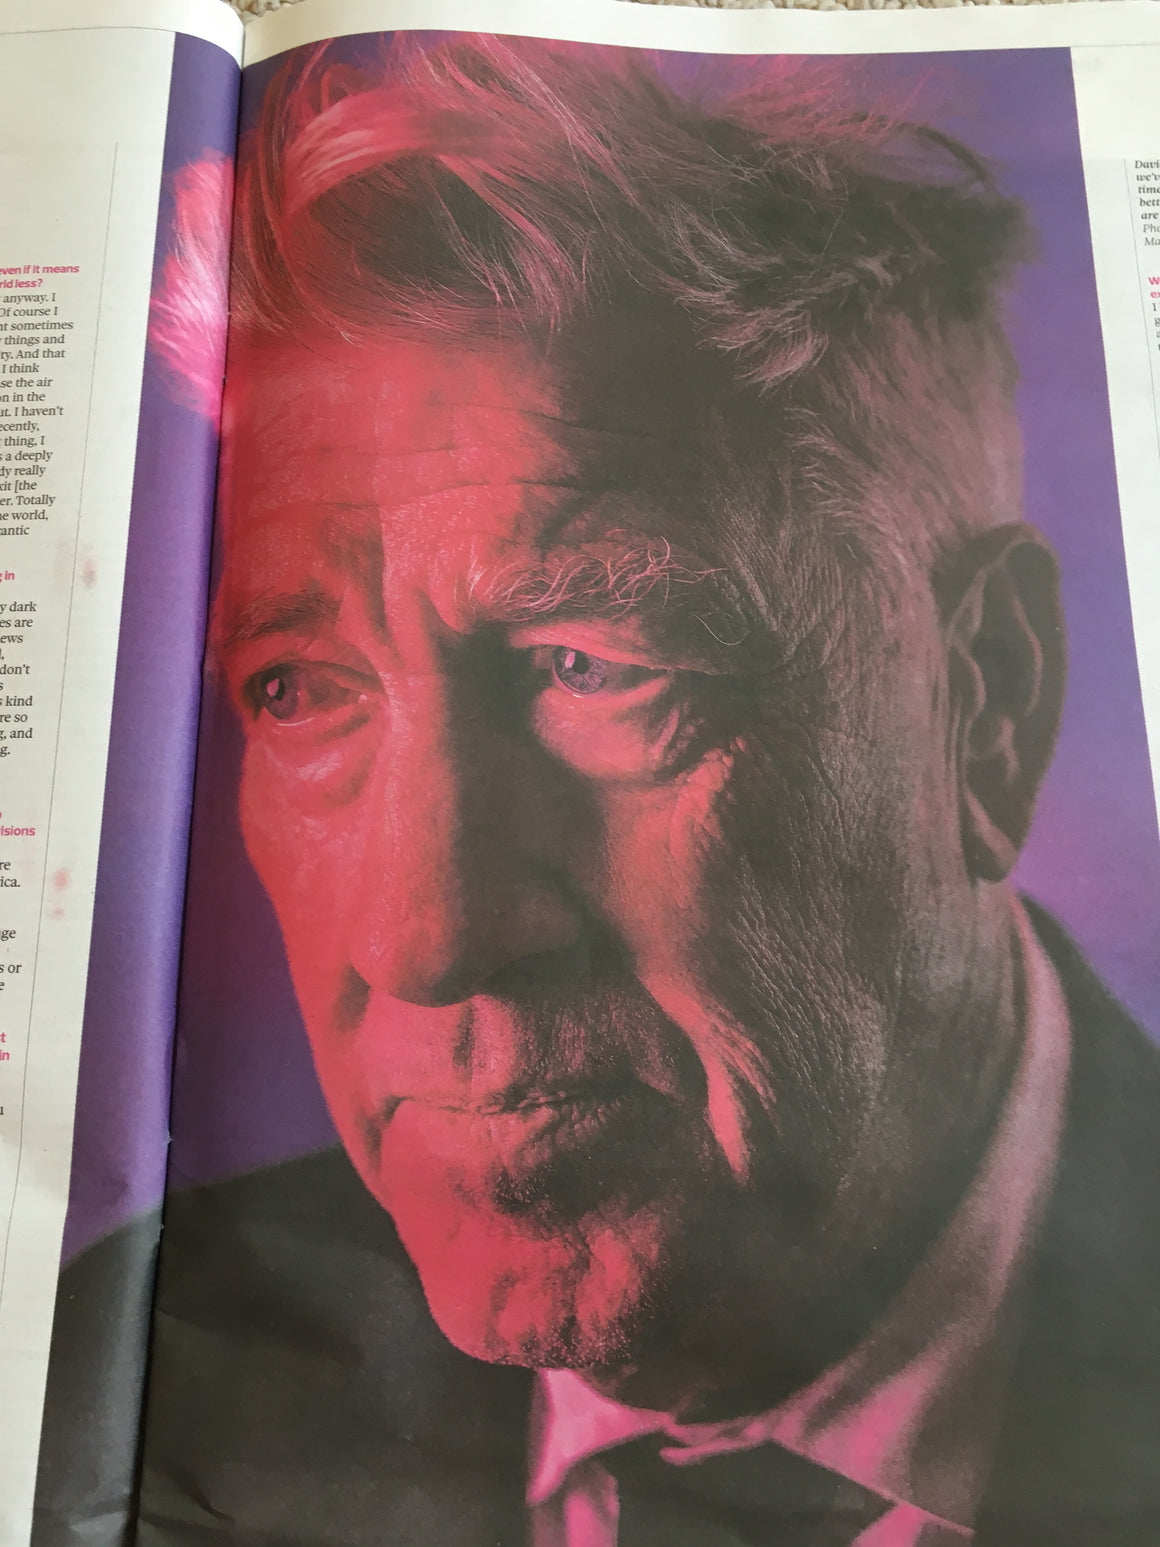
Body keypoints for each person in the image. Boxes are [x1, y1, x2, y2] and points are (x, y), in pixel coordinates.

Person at [35, 36, 1160, 1547]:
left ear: (990, 700)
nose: (427, 940)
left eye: (592, 665)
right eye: (300, 690)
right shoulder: (143, 1348)